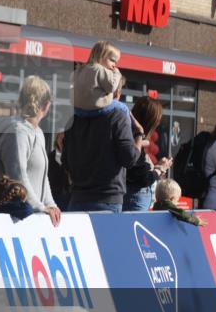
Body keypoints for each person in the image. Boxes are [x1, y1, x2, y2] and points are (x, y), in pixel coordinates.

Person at [64, 69, 143, 214]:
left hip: (77, 198)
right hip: (107, 200)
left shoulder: (74, 118)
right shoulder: (117, 117)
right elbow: (130, 158)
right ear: (116, 93)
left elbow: (66, 161)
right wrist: (139, 134)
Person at [0, 76, 62, 226]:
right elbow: (18, 176)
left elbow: (42, 176)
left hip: (29, 215)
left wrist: (50, 204)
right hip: (13, 218)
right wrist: (40, 207)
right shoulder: (18, 132)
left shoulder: (37, 132)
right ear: (46, 105)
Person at [72, 41, 144, 136]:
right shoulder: (100, 69)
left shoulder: (81, 69)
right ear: (101, 56)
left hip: (78, 110)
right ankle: (129, 134)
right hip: (95, 109)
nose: (114, 65)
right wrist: (117, 73)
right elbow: (112, 87)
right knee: (123, 108)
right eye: (112, 60)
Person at [123, 97, 170, 211]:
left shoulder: (128, 136)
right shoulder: (134, 138)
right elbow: (142, 178)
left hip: (134, 198)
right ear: (151, 121)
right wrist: (160, 170)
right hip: (134, 199)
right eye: (157, 120)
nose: (158, 123)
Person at [47, 131, 71, 211]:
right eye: (60, 138)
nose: (62, 140)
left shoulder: (72, 156)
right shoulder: (50, 157)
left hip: (69, 196)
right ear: (56, 140)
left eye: (65, 138)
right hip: (53, 196)